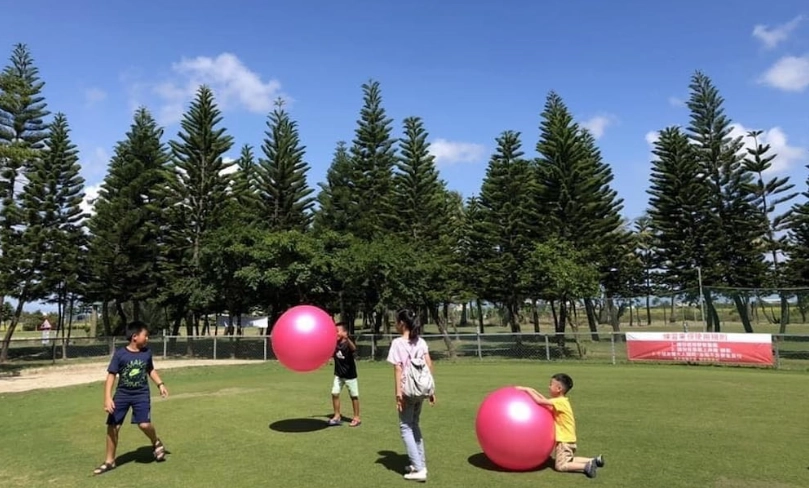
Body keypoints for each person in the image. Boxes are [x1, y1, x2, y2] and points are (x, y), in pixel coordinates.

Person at [93, 321, 169, 475]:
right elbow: (111, 376)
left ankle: (156, 441)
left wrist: (160, 384)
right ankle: (109, 461)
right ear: (135, 337)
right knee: (113, 427)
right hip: (122, 395)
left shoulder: (146, 353)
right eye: (145, 335)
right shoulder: (120, 354)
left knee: (144, 425)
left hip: (141, 394)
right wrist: (107, 398)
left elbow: (150, 370)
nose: (147, 338)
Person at [516, 373, 604, 479]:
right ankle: (594, 460)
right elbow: (544, 400)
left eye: (550, 384)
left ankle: (586, 466)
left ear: (558, 388)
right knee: (569, 459)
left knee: (561, 465)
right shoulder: (562, 401)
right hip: (569, 438)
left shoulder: (559, 402)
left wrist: (527, 390)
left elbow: (539, 401)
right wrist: (532, 390)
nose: (548, 386)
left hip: (564, 441)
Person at [386, 309, 435, 482]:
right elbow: (429, 365)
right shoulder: (420, 342)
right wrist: (431, 390)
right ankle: (419, 463)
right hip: (421, 390)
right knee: (414, 424)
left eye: (396, 321)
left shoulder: (397, 343)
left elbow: (398, 369)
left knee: (405, 427)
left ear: (402, 323)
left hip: (407, 390)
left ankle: (419, 469)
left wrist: (398, 394)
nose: (395, 324)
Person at [328, 322, 361, 427]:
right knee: (334, 393)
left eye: (337, 331)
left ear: (344, 332)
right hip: (338, 375)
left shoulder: (348, 344)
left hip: (350, 376)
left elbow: (354, 349)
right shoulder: (334, 343)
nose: (335, 334)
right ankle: (337, 416)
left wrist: (347, 339)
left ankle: (356, 418)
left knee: (354, 396)